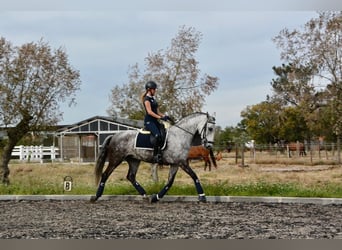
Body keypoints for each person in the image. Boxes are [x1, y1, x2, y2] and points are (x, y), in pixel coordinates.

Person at [141, 81, 169, 164]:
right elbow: (150, 112)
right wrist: (160, 117)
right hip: (149, 122)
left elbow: (157, 111)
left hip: (155, 121)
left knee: (164, 132)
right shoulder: (146, 99)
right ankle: (155, 155)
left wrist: (165, 116)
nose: (155, 91)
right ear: (149, 90)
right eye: (154, 89)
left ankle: (162, 152)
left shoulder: (153, 99)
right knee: (157, 135)